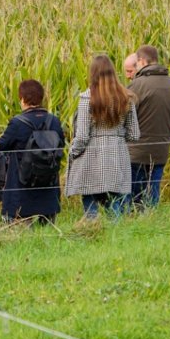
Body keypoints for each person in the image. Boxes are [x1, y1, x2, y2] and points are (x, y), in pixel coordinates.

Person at [65, 55, 140, 219]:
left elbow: (83, 136)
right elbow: (134, 134)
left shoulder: (87, 99)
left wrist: (73, 152)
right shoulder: (126, 98)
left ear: (93, 73)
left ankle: (93, 232)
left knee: (90, 204)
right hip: (118, 156)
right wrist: (117, 136)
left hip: (91, 158)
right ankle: (117, 238)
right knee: (115, 207)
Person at [0, 79, 66, 223]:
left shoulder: (17, 123)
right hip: (48, 182)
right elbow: (61, 143)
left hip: (23, 184)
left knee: (23, 227)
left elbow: (2, 145)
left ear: (22, 99)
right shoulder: (53, 121)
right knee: (48, 226)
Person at [127, 44, 170, 209]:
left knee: (135, 197)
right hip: (161, 149)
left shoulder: (137, 85)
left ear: (142, 61)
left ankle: (136, 226)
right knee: (153, 193)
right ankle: (151, 221)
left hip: (136, 151)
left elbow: (126, 117)